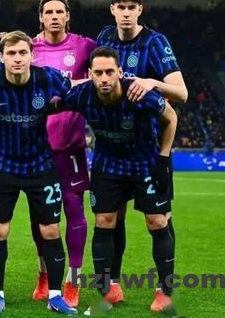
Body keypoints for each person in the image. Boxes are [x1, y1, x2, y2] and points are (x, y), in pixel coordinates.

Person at [61, 47, 178, 315]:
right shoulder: (82, 94)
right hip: (108, 163)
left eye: (109, 72)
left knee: (157, 221)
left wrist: (163, 159)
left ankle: (165, 291)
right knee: (104, 221)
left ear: (120, 72)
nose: (104, 78)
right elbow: (54, 99)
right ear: (90, 74)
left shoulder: (139, 93)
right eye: (98, 73)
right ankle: (108, 291)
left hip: (145, 161)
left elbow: (171, 117)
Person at [96, 0, 187, 302]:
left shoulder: (155, 42)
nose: (126, 13)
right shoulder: (104, 38)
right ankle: (112, 285)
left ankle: (165, 289)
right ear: (112, 9)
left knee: (158, 219)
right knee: (111, 217)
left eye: (131, 7)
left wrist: (151, 83)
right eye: (120, 7)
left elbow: (181, 93)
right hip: (112, 149)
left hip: (149, 149)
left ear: (140, 10)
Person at [0, 31, 76, 315]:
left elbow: (72, 91)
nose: (17, 58)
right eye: (11, 53)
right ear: (1, 57)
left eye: (22, 53)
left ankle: (55, 296)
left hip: (40, 165)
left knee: (51, 230)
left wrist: (59, 104)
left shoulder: (48, 78)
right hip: (1, 165)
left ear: (32, 55)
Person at [28, 0, 96, 307]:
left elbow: (103, 74)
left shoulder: (85, 46)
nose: (54, 16)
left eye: (59, 11)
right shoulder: (29, 48)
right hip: (37, 146)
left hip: (71, 147)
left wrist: (69, 87)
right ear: (41, 17)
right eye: (48, 12)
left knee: (74, 211)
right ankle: (44, 275)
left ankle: (74, 281)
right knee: (40, 216)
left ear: (67, 16)